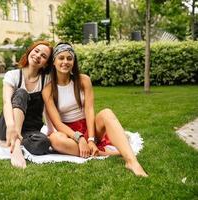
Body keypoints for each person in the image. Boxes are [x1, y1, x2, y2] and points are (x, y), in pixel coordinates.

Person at [42, 42, 148, 177]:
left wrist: (91, 139)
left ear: (74, 62)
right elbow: (58, 124)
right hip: (70, 133)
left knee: (106, 113)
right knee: (55, 139)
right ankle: (100, 152)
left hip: (89, 127)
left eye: (69, 58)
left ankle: (132, 162)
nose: (65, 62)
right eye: (61, 58)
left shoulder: (84, 80)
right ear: (54, 62)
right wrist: (80, 139)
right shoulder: (48, 90)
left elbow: (89, 110)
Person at [0, 40, 53, 169]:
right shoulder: (13, 75)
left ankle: (19, 139)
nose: (38, 56)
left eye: (43, 56)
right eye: (36, 51)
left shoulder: (46, 80)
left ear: (46, 63)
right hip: (7, 125)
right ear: (29, 52)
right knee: (21, 93)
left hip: (30, 129)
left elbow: (49, 107)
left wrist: (50, 130)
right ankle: (15, 145)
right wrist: (10, 126)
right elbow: (6, 102)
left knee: (43, 143)